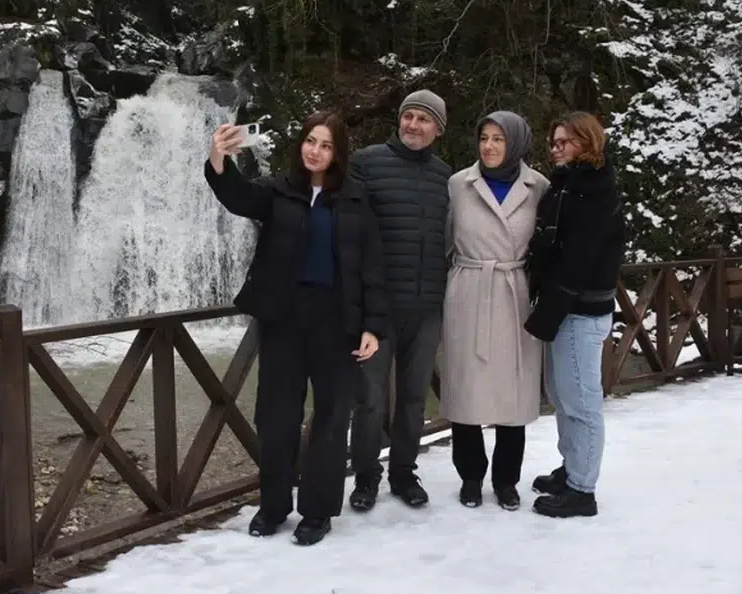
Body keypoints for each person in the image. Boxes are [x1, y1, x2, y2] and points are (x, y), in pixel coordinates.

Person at [204, 111, 388, 545]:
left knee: (330, 417)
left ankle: (318, 512)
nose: (315, 151)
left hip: (337, 322)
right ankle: (272, 507)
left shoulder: (358, 200)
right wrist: (217, 159)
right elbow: (237, 197)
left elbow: (372, 270)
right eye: (310, 141)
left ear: (338, 153)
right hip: (284, 319)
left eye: (325, 145)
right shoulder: (279, 190)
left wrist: (373, 326)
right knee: (276, 416)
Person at [439, 111, 549, 510]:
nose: (488, 146)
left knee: (512, 393)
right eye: (483, 137)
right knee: (466, 388)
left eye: (498, 139)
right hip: (468, 290)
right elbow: (445, 241)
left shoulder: (538, 187)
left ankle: (506, 480)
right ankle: (470, 476)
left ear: (516, 143)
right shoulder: (458, 184)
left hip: (514, 292)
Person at [347, 90, 451, 510]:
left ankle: (404, 474)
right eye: (408, 116)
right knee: (370, 399)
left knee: (412, 397)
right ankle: (366, 476)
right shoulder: (366, 163)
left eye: (423, 119)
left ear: (438, 130)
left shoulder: (447, 177)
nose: (412, 125)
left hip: (426, 306)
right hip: (377, 308)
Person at [524, 111, 626, 519]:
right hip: (565, 307)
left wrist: (547, 311)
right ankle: (571, 469)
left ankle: (582, 488)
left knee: (582, 401)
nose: (556, 148)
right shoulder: (569, 186)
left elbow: (579, 260)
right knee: (564, 397)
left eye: (564, 142)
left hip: (581, 310)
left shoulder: (596, 192)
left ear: (587, 143)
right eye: (553, 141)